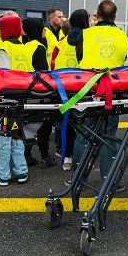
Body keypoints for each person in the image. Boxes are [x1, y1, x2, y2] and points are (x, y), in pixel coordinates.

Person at [70, 0, 128, 191]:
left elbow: (80, 58)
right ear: (115, 17)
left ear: (98, 16)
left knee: (84, 134)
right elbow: (123, 59)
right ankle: (108, 181)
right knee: (109, 136)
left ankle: (76, 179)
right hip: (113, 91)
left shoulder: (86, 34)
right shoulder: (123, 36)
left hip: (88, 90)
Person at [0, 15, 30, 186]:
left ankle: (4, 175)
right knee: (17, 136)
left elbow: (1, 77)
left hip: (6, 100)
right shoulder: (25, 48)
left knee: (2, 138)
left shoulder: (4, 48)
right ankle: (22, 171)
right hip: (22, 98)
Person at [51, 9, 90, 170]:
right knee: (85, 123)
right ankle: (84, 158)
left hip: (63, 88)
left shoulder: (60, 44)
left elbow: (52, 65)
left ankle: (67, 157)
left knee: (67, 123)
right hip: (84, 87)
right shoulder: (89, 40)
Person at [22, 17, 56, 168]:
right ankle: (44, 156)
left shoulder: (25, 46)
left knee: (28, 124)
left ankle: (26, 154)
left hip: (26, 91)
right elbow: (43, 74)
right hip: (39, 92)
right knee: (44, 124)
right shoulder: (39, 47)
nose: (45, 31)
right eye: (42, 28)